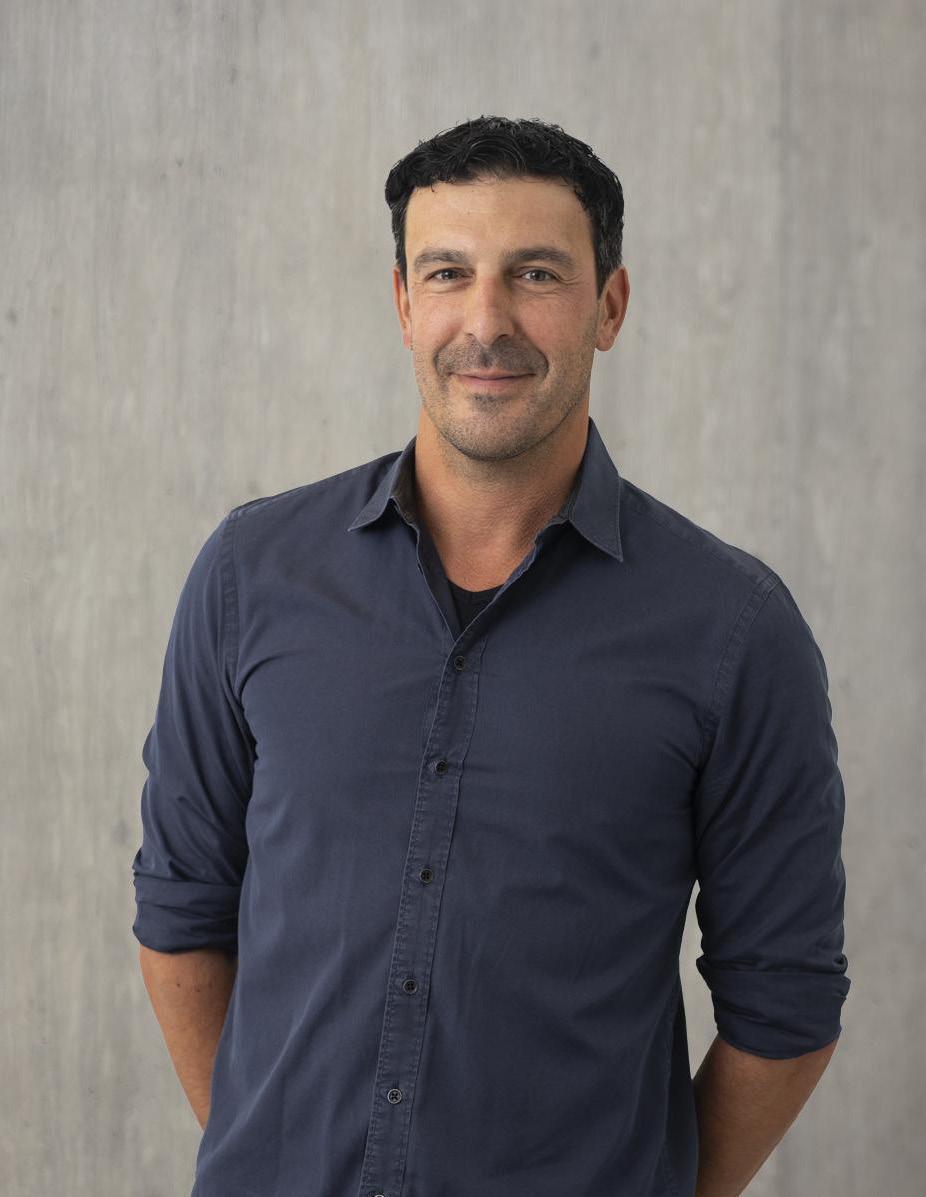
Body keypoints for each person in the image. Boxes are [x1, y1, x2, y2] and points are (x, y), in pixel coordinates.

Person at [132, 115, 850, 1197]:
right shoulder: (251, 574)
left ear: (610, 306)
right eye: (448, 273)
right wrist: (265, 1152)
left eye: (535, 274)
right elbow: (181, 913)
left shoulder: (733, 631)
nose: (486, 320)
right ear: (402, 303)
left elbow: (785, 1001)